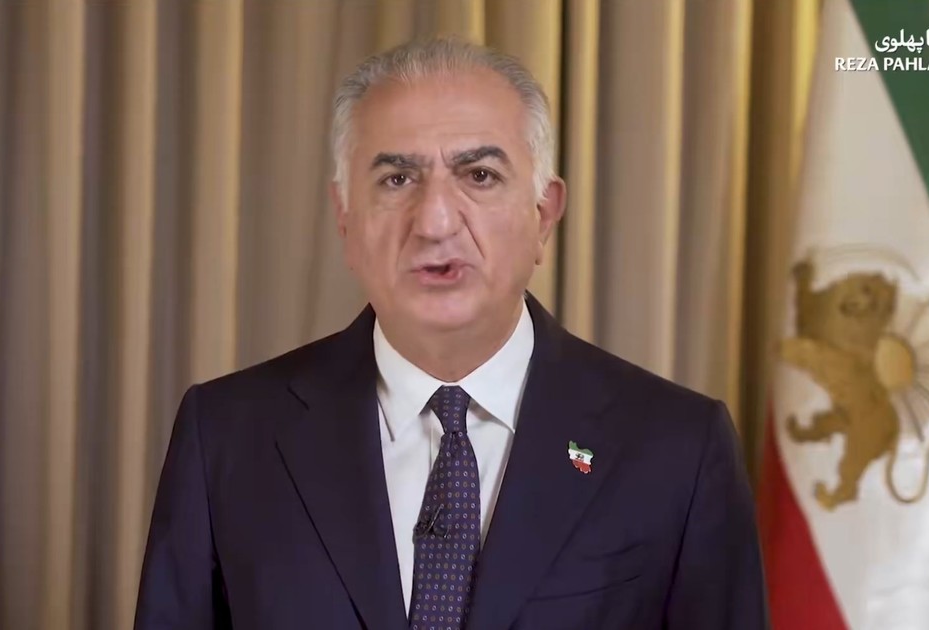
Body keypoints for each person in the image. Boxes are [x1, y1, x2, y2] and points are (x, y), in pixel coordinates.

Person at [135, 37, 766, 630]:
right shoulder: (226, 436)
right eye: (397, 179)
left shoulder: (678, 448)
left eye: (480, 175)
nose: (435, 221)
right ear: (345, 218)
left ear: (544, 215)